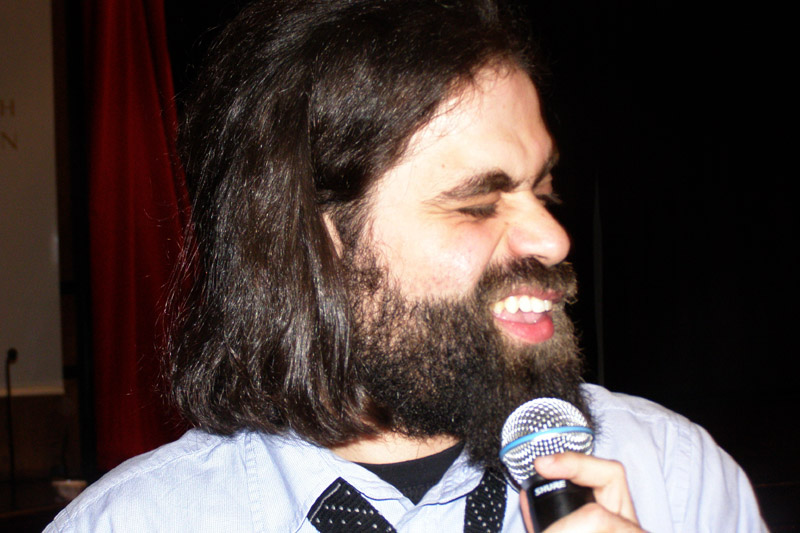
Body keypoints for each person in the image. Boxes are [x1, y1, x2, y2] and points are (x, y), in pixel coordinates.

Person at [47, 1, 767, 531]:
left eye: (544, 191)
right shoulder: (133, 523)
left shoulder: (676, 479)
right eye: (477, 203)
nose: (552, 239)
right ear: (318, 240)